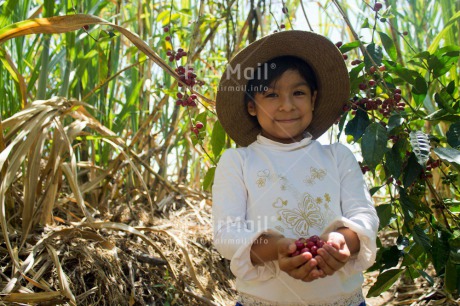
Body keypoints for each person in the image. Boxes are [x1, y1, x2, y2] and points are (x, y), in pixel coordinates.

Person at [212, 30, 379, 306]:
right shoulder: (238, 162)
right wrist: (276, 248)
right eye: (271, 95)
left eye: (298, 93)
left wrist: (341, 242)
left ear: (313, 99)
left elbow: (364, 215)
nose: (287, 105)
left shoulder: (338, 157)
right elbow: (226, 233)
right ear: (252, 106)